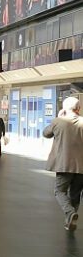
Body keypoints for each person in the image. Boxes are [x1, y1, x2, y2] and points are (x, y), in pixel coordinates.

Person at [43, 96, 83, 231]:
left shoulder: (58, 121)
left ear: (65, 109)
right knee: (75, 194)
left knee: (59, 191)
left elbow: (46, 133)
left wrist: (58, 116)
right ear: (79, 108)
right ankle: (69, 222)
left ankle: (70, 213)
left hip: (64, 164)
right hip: (81, 166)